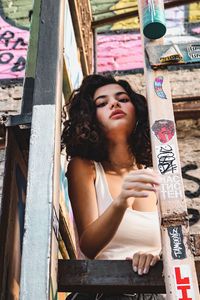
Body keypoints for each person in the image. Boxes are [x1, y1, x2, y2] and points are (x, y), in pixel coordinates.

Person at [62, 74, 164, 300]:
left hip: (155, 292)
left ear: (137, 111)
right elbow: (89, 246)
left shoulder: (155, 175)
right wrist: (121, 200)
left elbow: (173, 242)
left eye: (123, 99)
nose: (114, 104)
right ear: (90, 118)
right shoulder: (84, 167)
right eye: (102, 103)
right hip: (106, 291)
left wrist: (155, 257)